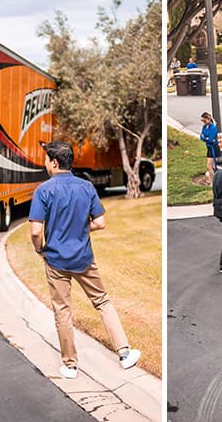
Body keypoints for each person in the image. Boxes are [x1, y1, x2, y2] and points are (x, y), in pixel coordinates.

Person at [29, 141, 140, 379]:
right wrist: (80, 229)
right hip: (84, 258)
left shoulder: (43, 191)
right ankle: (124, 353)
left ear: (54, 162)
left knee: (62, 310)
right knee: (102, 301)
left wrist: (40, 251)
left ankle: (70, 365)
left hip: (56, 260)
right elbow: (100, 222)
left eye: (47, 160)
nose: (45, 164)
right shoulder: (86, 187)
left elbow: (36, 231)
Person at [200, 112, 222, 181]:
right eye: (202, 121)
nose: (203, 122)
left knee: (209, 166)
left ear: (209, 119)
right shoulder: (204, 127)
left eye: (204, 121)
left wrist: (206, 138)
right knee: (212, 166)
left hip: (214, 148)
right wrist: (205, 138)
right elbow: (201, 136)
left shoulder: (213, 128)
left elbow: (210, 139)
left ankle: (212, 182)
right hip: (209, 147)